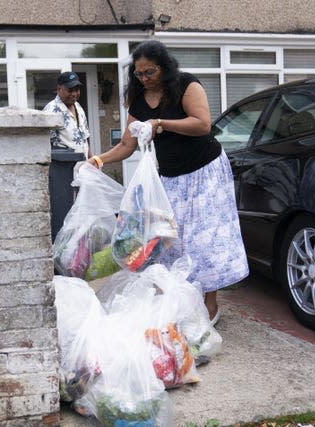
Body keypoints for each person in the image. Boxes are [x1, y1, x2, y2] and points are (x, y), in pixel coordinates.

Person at [87, 40, 249, 325]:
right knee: (169, 240)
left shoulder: (186, 85)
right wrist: (99, 160)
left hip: (205, 171)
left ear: (164, 67)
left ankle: (210, 305)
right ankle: (179, 300)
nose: (145, 79)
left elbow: (202, 123)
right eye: (139, 74)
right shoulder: (137, 99)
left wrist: (160, 123)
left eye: (150, 72)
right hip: (171, 177)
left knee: (203, 240)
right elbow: (127, 144)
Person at [43, 71, 91, 158]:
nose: (74, 94)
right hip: (64, 168)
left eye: (77, 90)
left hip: (82, 167)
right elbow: (45, 145)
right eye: (70, 90)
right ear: (59, 89)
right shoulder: (50, 111)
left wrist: (91, 161)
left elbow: (85, 139)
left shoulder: (78, 106)